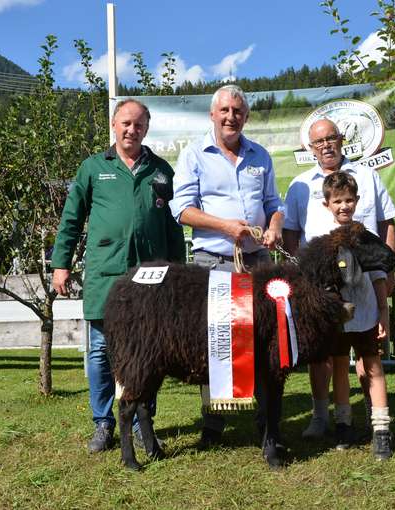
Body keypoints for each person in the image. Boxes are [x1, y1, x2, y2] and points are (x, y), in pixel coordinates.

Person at [51, 99, 185, 453]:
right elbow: (71, 219)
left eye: (139, 124)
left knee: (149, 352)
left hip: (151, 278)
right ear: (114, 124)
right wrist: (60, 263)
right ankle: (103, 423)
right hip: (106, 275)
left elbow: (172, 227)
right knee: (99, 350)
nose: (132, 129)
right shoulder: (93, 168)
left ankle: (143, 423)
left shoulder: (161, 170)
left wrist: (180, 272)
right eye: (126, 123)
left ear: (146, 128)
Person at [169, 84, 285, 448]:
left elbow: (273, 203)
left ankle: (265, 421)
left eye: (237, 111)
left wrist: (275, 226)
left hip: (258, 263)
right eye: (225, 111)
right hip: (213, 263)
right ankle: (214, 424)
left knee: (265, 341)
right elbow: (181, 210)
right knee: (215, 343)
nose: (231, 117)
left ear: (245, 117)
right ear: (212, 115)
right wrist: (226, 227)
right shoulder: (193, 155)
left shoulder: (260, 155)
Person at [283, 118, 395, 455]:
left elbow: (388, 222)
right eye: (319, 141)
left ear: (341, 139)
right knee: (325, 358)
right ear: (311, 147)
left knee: (368, 358)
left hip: (365, 287)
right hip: (322, 293)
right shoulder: (301, 185)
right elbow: (290, 232)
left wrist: (387, 272)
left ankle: (377, 423)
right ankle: (324, 418)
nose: (326, 145)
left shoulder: (366, 176)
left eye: (331, 138)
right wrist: (300, 275)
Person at [320, 171, 393, 460]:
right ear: (327, 204)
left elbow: (378, 277)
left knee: (372, 366)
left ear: (357, 201)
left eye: (349, 200)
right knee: (339, 367)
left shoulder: (367, 239)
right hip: (337, 318)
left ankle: (382, 430)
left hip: (365, 314)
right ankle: (343, 425)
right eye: (337, 201)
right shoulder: (322, 242)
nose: (344, 206)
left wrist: (383, 313)